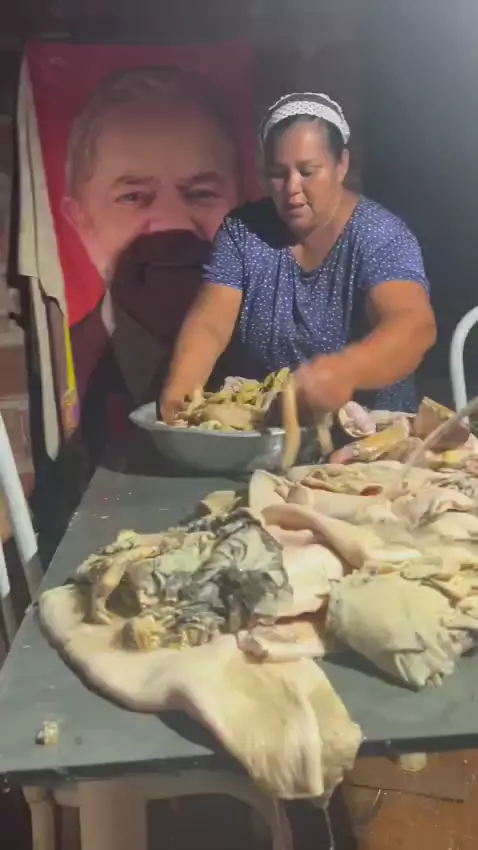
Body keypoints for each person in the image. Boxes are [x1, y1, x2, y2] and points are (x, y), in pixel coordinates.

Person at [160, 92, 436, 423]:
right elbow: (210, 324)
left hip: (369, 430)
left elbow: (413, 325)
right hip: (265, 431)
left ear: (341, 165)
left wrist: (346, 372)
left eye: (307, 171)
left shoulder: (380, 235)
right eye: (278, 173)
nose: (292, 187)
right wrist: (179, 399)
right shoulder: (242, 232)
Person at [62, 65, 243, 406]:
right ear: (81, 220)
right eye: (133, 196)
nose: (171, 222)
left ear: (241, 204)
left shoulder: (278, 352)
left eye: (201, 193)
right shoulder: (58, 371)